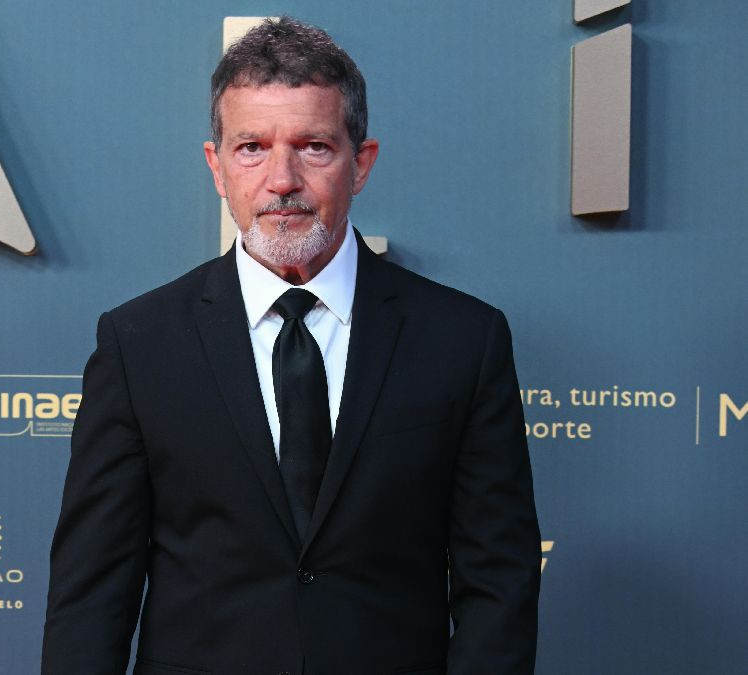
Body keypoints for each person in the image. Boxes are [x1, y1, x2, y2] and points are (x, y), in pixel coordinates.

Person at [42, 16, 540, 675]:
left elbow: (498, 580)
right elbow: (90, 592)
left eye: (313, 147)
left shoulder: (463, 340)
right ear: (217, 167)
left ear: (361, 163)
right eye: (252, 147)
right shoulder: (139, 343)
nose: (282, 179)